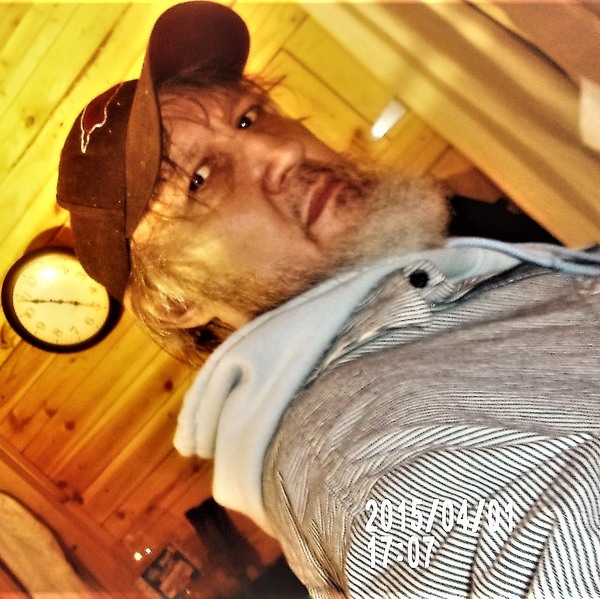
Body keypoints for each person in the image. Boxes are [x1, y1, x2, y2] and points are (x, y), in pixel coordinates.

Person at [57, 3, 600, 597]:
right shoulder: (355, 452)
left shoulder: (435, 285)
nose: (283, 152)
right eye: (200, 180)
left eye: (249, 118)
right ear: (175, 302)